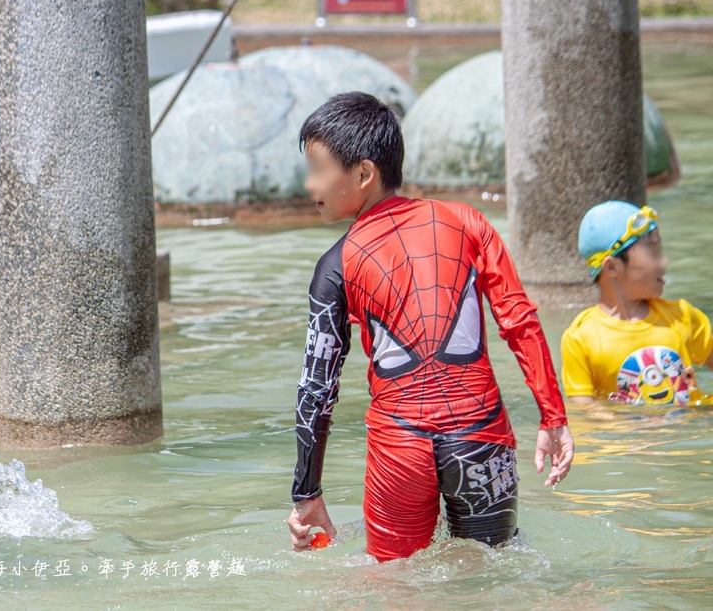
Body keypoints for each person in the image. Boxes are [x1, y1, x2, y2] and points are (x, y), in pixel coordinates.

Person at [286, 92, 574, 562]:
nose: (308, 183)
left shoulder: (335, 264)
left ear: (362, 174)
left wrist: (307, 492)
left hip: (398, 447)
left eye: (317, 168)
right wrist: (553, 417)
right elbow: (519, 320)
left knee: (394, 586)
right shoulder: (469, 221)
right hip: (482, 438)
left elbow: (316, 389)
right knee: (496, 576)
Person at [561, 200, 713, 406]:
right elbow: (585, 409)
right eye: (654, 253)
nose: (664, 262)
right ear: (613, 268)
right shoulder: (580, 338)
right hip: (628, 436)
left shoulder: (682, 316)